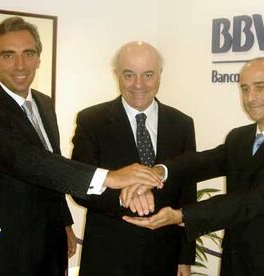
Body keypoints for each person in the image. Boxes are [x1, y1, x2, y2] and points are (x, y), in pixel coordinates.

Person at [0, 17, 162, 276]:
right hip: (8, 251)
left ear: (38, 60)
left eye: (28, 54)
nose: (20, 64)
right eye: (8, 55)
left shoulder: (43, 104)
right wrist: (109, 177)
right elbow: (27, 161)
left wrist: (65, 222)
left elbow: (52, 167)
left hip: (51, 244)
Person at [124, 57, 264, 276]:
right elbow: (202, 162)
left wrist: (181, 215)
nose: (250, 98)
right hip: (234, 262)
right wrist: (158, 172)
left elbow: (251, 201)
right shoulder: (240, 137)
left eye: (260, 87)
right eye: (245, 89)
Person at [71, 41, 196, 276]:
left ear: (160, 74)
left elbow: (187, 194)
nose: (139, 84)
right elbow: (80, 186)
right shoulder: (91, 121)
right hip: (108, 257)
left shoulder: (182, 124)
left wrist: (185, 258)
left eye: (148, 74)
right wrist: (121, 198)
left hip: (164, 256)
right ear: (117, 74)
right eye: (129, 75)